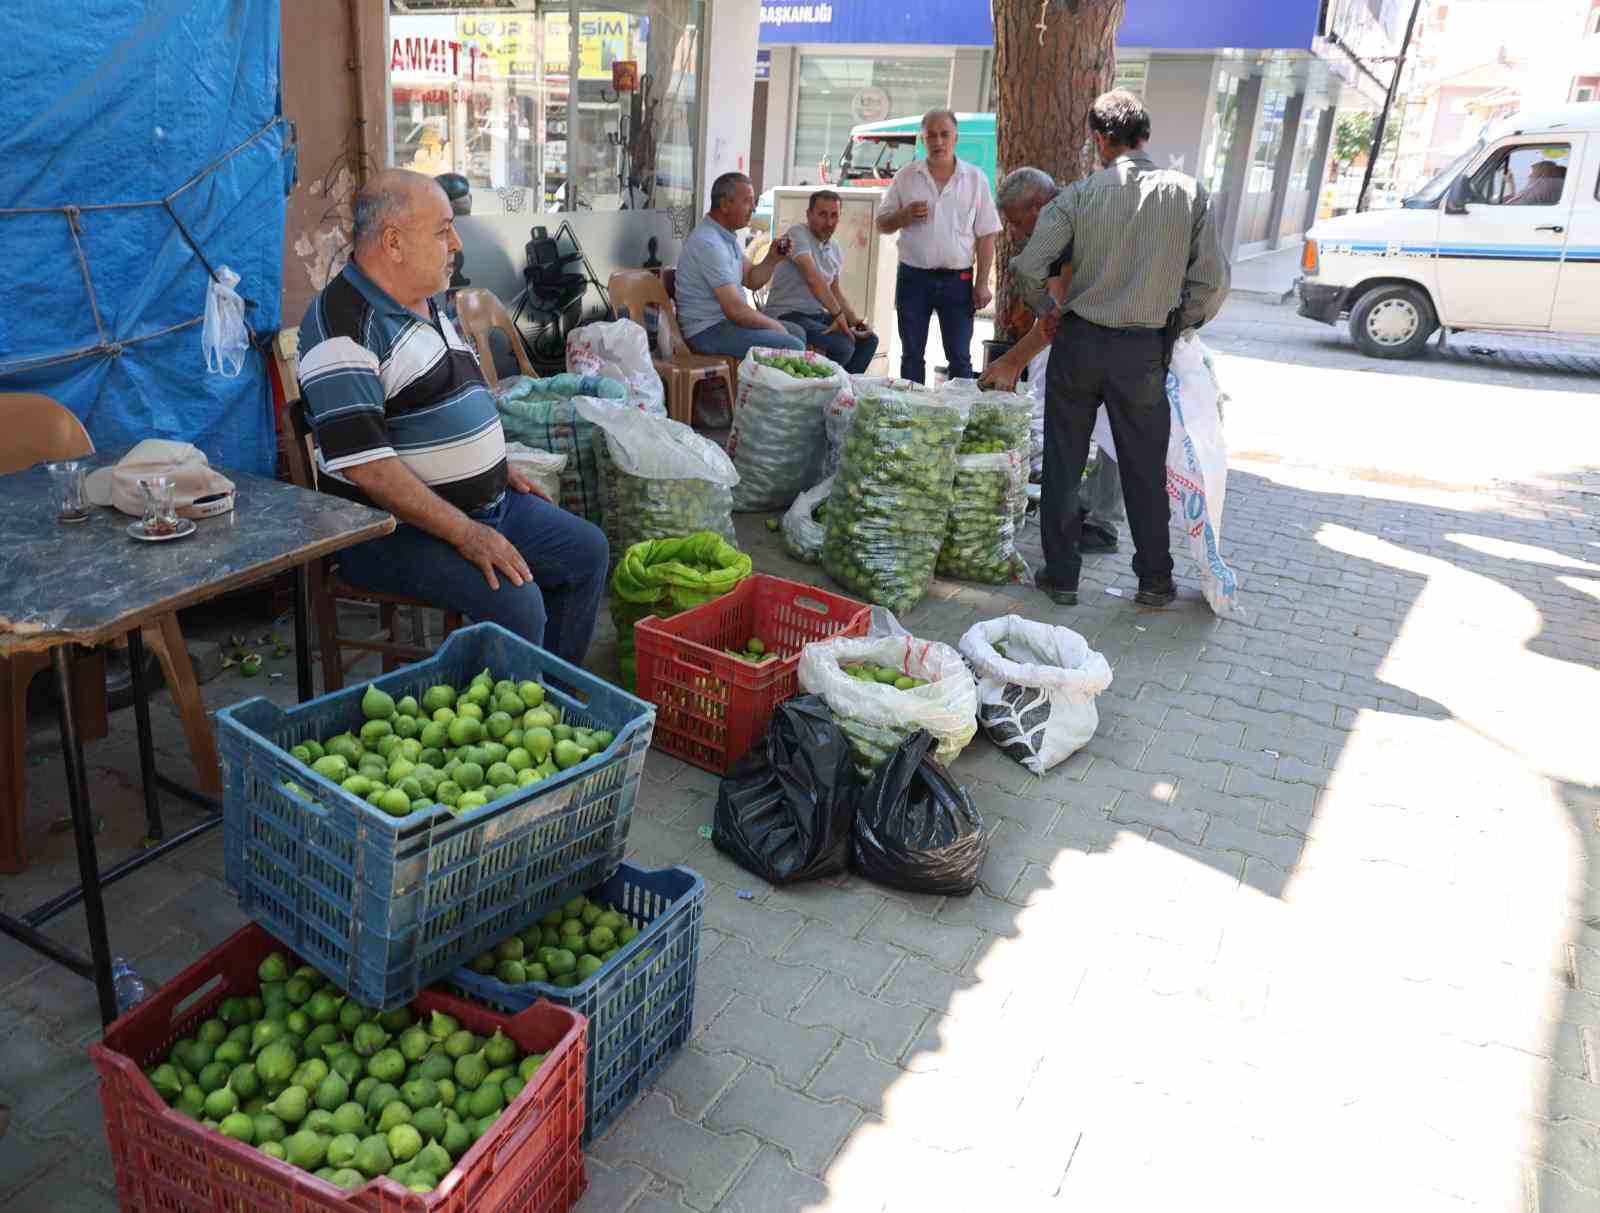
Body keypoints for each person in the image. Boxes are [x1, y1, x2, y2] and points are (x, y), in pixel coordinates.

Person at [296, 169, 608, 666]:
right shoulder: (343, 330)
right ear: (393, 242)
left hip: (482, 505)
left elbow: (443, 398)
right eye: (443, 230)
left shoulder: (425, 299)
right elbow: (369, 469)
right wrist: (467, 533)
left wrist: (492, 467)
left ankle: (551, 698)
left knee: (586, 551)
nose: (457, 243)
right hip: (391, 532)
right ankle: (505, 728)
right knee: (518, 601)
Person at [1009, 90, 1229, 608]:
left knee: (1065, 462)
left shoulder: (1080, 196)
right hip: (1143, 352)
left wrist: (1048, 309)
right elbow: (1212, 282)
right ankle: (1155, 579)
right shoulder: (1190, 195)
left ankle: (1061, 576)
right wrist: (1181, 323)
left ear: (1100, 140)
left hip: (1080, 345)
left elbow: (1026, 266)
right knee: (1143, 468)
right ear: (1145, 136)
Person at [984, 165, 1122, 555]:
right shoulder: (1074, 210)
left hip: (1122, 338)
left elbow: (1055, 316)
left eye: (1018, 224)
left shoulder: (1069, 223)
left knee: (1111, 428)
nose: (1018, 234)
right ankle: (1084, 505)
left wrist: (1012, 360)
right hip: (1104, 333)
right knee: (1097, 425)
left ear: (1037, 206)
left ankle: (1100, 525)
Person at [876, 109, 1001, 383]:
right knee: (911, 354)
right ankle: (911, 415)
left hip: (958, 279)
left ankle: (960, 417)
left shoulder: (974, 179)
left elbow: (987, 234)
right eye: (931, 135)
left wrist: (982, 284)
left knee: (959, 356)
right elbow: (881, 223)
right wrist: (903, 215)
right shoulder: (906, 177)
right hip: (913, 277)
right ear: (923, 139)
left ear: (956, 138)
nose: (938, 141)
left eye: (944, 134)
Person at [676, 171, 806, 360]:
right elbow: (735, 310)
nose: (753, 209)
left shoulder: (725, 237)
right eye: (747, 201)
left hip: (726, 323)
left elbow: (751, 279)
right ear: (725, 204)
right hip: (707, 330)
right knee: (792, 345)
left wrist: (772, 257)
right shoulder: (708, 243)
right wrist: (774, 326)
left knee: (797, 333)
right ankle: (763, 390)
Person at [761, 189, 880, 373]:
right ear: (809, 215)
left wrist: (856, 322)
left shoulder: (835, 248)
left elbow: (835, 291)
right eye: (822, 215)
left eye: (834, 215)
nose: (829, 222)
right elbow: (813, 278)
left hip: (815, 316)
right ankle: (824, 390)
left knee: (868, 339)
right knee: (843, 345)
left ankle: (845, 391)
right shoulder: (797, 233)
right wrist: (839, 315)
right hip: (787, 315)